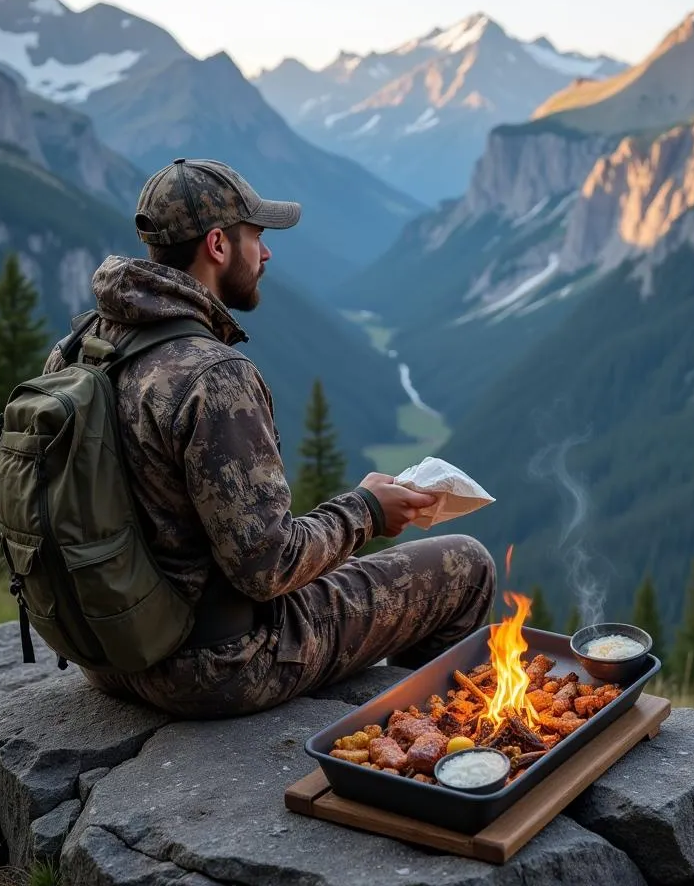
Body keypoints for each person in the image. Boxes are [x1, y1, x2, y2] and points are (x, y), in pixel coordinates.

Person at [42, 157, 497, 719]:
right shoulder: (213, 376)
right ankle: (426, 745)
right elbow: (266, 568)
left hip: (112, 655)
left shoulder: (80, 348)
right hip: (220, 665)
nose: (267, 252)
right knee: (467, 566)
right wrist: (366, 511)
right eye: (256, 236)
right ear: (217, 245)